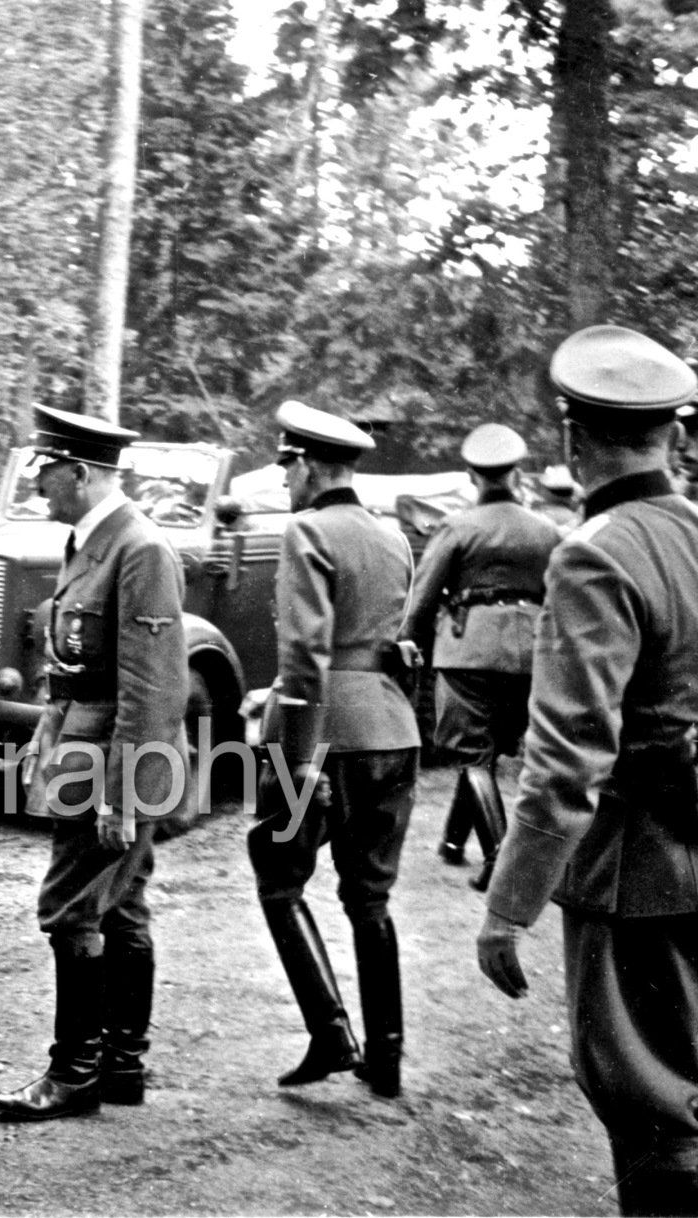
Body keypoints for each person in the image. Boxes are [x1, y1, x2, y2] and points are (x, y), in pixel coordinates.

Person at [477, 324, 698, 1216]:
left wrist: (507, 906)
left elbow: (565, 762)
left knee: (653, 1109)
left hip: (636, 872)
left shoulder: (597, 551)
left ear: (571, 438)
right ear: (674, 436)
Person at [0, 407, 189, 1122]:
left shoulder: (139, 549)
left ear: (80, 471)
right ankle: (121, 1066)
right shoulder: (91, 543)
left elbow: (153, 686)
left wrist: (122, 793)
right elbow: (70, 667)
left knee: (70, 908)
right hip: (82, 747)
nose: (39, 481)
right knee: (123, 905)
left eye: (47, 469)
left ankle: (73, 1073)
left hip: (109, 763)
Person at [247, 400, 420, 1100]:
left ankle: (329, 1032)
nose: (285, 479)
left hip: (322, 743)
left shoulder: (307, 532)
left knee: (277, 873)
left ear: (312, 467)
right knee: (370, 897)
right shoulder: (393, 538)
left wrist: (294, 760)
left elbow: (306, 657)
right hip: (392, 732)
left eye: (288, 465)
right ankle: (386, 1055)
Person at [401, 423, 562, 892]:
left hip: (468, 649)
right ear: (516, 474)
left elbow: (424, 595)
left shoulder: (458, 526)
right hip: (531, 654)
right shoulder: (547, 530)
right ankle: (454, 842)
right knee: (486, 753)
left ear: (473, 475)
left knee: (470, 752)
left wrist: (409, 639)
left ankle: (499, 859)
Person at [531, 463, 582, 530]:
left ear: (552, 493)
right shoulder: (574, 513)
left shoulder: (547, 514)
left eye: (543, 487)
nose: (541, 490)